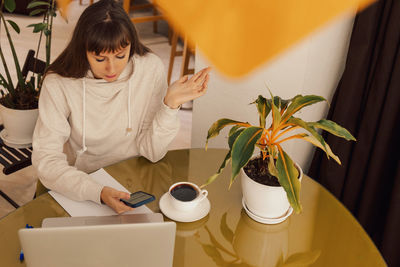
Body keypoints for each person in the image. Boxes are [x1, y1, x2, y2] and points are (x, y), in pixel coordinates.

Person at [31, 0, 210, 214]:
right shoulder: (58, 83)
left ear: (131, 47)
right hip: (83, 182)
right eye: (99, 58)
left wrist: (170, 105)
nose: (111, 68)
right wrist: (97, 192)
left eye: (120, 55)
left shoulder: (149, 69)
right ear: (83, 51)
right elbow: (46, 159)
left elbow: (152, 152)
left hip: (136, 178)